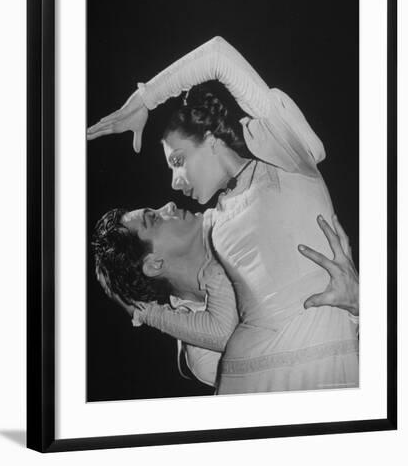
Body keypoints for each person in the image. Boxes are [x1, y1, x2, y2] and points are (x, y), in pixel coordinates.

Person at [88, 36, 359, 393]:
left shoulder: (281, 155)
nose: (173, 187)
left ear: (211, 139)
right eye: (172, 167)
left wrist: (144, 100)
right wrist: (142, 309)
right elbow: (221, 324)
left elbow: (217, 55)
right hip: (258, 385)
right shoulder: (217, 225)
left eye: (178, 160)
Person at [93, 203, 358, 390]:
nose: (170, 205)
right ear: (155, 264)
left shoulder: (243, 223)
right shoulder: (204, 357)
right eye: (155, 219)